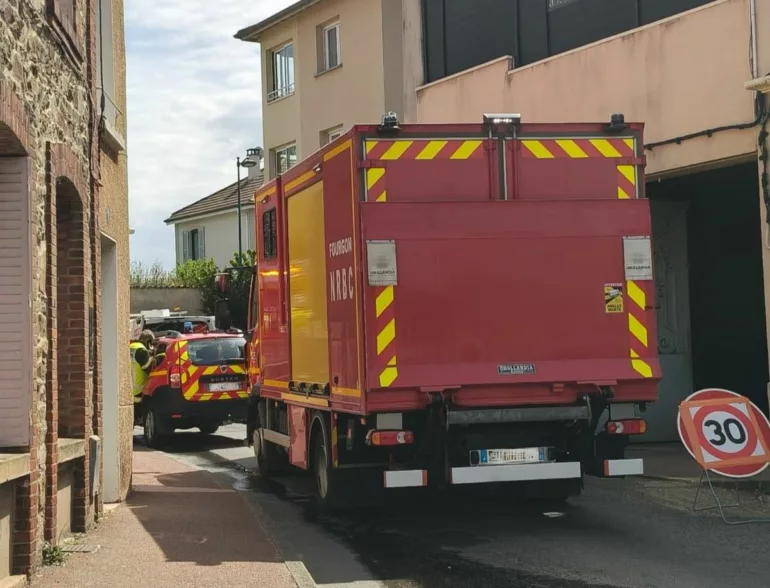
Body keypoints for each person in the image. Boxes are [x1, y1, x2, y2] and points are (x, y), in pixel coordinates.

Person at [131, 330, 155, 423]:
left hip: (128, 388)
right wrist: (153, 357)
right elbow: (148, 368)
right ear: (149, 342)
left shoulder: (131, 347)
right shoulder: (142, 351)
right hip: (139, 390)